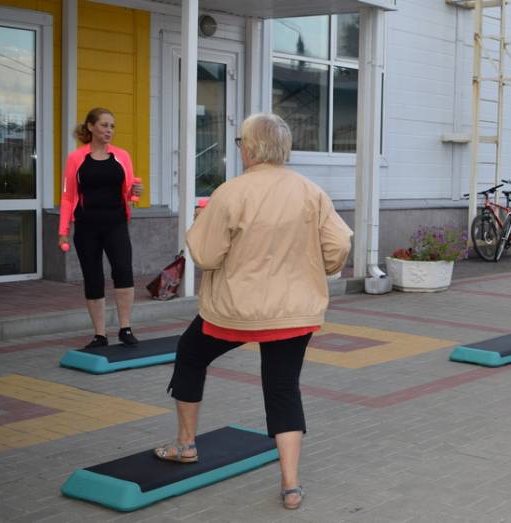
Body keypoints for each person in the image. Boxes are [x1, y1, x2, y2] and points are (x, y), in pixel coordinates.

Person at [152, 113, 352, 510]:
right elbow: (340, 244)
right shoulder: (310, 191)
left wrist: (200, 223)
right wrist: (319, 268)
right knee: (282, 388)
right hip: (294, 312)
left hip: (234, 310)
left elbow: (206, 256)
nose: (239, 147)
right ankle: (291, 486)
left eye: (241, 141)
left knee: (190, 355)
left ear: (252, 147)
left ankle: (186, 444)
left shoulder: (231, 192)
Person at [59, 108, 142, 349]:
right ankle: (100, 335)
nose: (109, 131)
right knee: (93, 278)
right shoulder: (76, 158)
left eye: (112, 127)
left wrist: (135, 193)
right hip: (86, 227)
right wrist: (62, 231)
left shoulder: (122, 156)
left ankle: (125, 328)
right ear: (91, 127)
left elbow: (128, 192)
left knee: (123, 270)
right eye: (105, 125)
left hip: (115, 223)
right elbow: (67, 197)